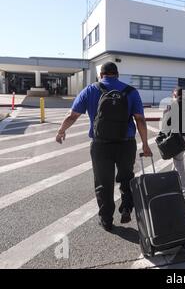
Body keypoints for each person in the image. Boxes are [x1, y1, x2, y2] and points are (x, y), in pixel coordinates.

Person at [55, 62, 153, 232]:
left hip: (100, 145)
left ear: (101, 75)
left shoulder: (90, 90)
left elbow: (73, 115)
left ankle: (106, 220)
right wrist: (145, 144)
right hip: (126, 144)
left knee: (103, 183)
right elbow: (140, 120)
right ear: (117, 74)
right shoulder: (131, 91)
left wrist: (61, 130)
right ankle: (127, 208)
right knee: (127, 177)